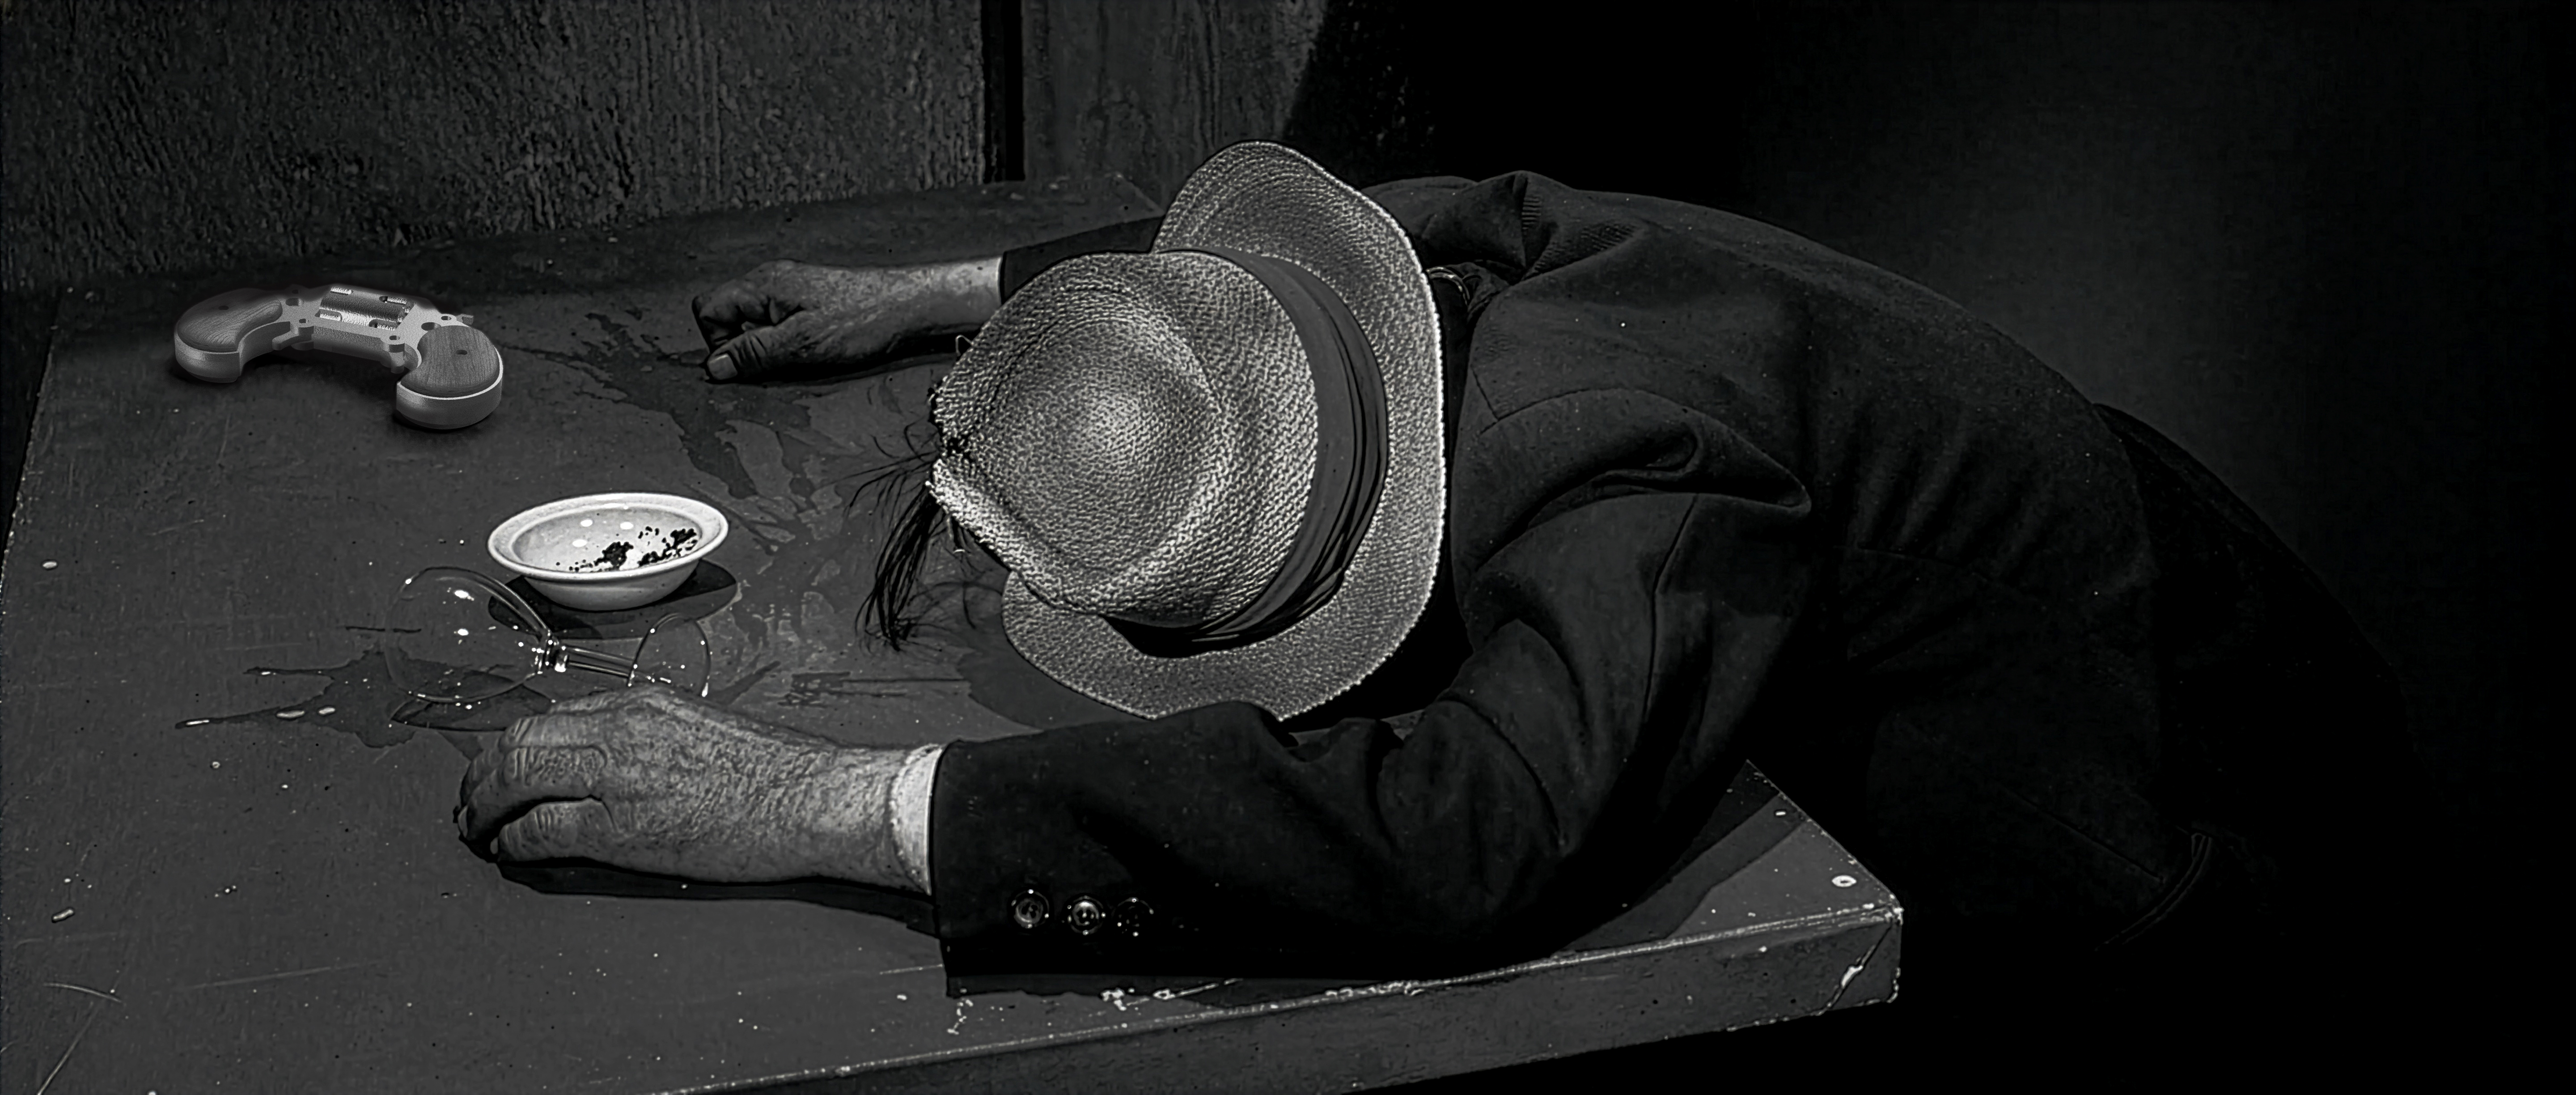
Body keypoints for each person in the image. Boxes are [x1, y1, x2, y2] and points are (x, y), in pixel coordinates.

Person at [456, 143, 2413, 1033]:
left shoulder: (1628, 476)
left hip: (2173, 815)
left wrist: (831, 804)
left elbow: (1482, 829)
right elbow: (1318, 228)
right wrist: (960, 298)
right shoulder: (1482, 262)